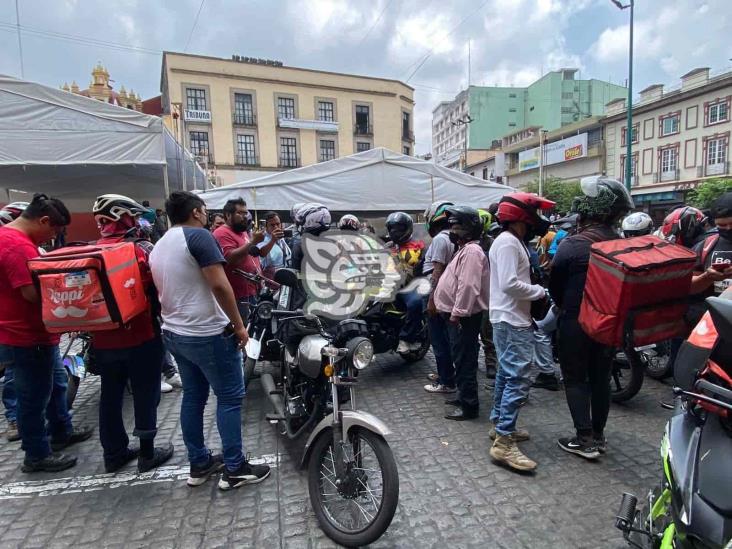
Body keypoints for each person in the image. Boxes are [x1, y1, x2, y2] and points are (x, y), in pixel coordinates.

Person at [150, 191, 270, 490]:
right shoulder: (199, 237)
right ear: (196, 212)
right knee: (229, 398)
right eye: (204, 211)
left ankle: (199, 463)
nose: (205, 215)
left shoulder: (160, 245)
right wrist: (239, 326)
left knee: (193, 396)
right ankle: (235, 467)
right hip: (207, 332)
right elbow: (219, 283)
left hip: (175, 333)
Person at [0, 194, 93, 472]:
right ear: (43, 221)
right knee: (34, 396)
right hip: (25, 335)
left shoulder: (13, 239)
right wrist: (69, 296)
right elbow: (30, 293)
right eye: (54, 230)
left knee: (54, 385)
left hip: (37, 333)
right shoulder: (16, 247)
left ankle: (61, 430)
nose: (53, 237)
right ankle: (37, 454)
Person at [549, 176, 633, 460]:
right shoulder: (622, 244)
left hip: (576, 322)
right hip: (609, 325)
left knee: (575, 379)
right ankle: (599, 435)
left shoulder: (572, 245)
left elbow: (555, 285)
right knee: (600, 378)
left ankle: (584, 439)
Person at [90, 194, 174, 473]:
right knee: (145, 393)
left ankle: (113, 454)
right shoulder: (138, 251)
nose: (140, 222)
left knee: (110, 396)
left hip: (102, 340)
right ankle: (147, 454)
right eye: (136, 217)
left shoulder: (90, 251)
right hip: (141, 336)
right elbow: (158, 290)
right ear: (123, 218)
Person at [488, 192, 555, 473]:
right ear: (521, 217)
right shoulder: (507, 244)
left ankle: (499, 424)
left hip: (511, 318)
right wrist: (540, 291)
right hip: (511, 319)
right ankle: (504, 442)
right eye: (534, 215)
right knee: (517, 377)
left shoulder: (511, 242)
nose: (537, 221)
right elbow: (509, 284)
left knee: (506, 373)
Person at [433, 206, 489, 420]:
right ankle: (462, 396)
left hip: (463, 317)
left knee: (465, 359)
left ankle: (469, 406)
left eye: (457, 226)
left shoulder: (473, 252)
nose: (452, 230)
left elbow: (468, 286)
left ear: (469, 228)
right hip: (458, 315)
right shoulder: (466, 249)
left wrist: (458, 313)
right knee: (461, 358)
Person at [0, 201, 29, 441]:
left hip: (24, 327)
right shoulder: (12, 246)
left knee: (55, 378)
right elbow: (29, 291)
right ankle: (14, 420)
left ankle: (61, 424)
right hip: (13, 329)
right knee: (14, 377)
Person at [423, 201, 457, 394]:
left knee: (439, 340)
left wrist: (431, 299)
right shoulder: (454, 238)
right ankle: (447, 374)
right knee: (447, 338)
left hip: (438, 294)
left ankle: (446, 382)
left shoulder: (440, 240)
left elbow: (437, 270)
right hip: (450, 293)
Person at [213, 198, 263, 323]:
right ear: (228, 215)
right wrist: (253, 242)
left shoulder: (242, 232)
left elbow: (250, 254)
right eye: (240, 213)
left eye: (245, 213)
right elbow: (229, 259)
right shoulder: (221, 233)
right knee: (240, 332)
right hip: (236, 296)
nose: (244, 216)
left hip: (250, 291)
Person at [385, 212, 425, 353]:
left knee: (415, 303)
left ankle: (406, 339)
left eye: (399, 228)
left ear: (407, 228)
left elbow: (422, 269)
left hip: (409, 287)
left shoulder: (418, 246)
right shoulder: (387, 246)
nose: (395, 232)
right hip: (387, 286)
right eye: (393, 228)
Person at [477, 209, 498, 383]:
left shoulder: (492, 243)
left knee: (487, 331)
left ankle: (491, 362)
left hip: (487, 292)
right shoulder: (466, 242)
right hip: (471, 292)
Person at [290, 203, 331, 270]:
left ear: (310, 220)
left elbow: (295, 275)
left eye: (301, 222)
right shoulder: (336, 245)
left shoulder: (300, 246)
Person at [255, 211, 291, 279]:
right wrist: (272, 240)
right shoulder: (261, 239)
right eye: (272, 225)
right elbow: (261, 253)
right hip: (271, 280)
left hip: (284, 276)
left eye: (278, 224)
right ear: (266, 226)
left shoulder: (280, 238)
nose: (276, 227)